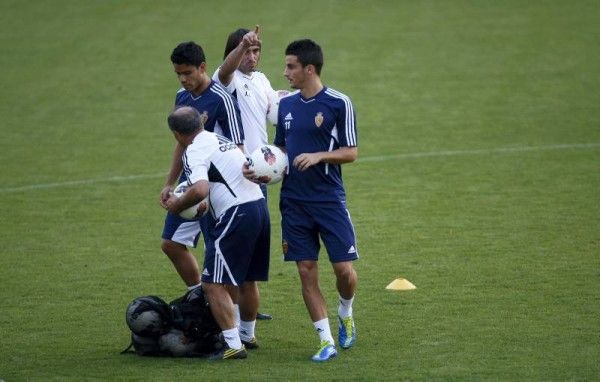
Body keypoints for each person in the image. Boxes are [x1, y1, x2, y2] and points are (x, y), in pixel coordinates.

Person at [273, 39, 359, 362]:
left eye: (291, 66)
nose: (285, 73)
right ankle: (325, 340)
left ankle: (346, 311)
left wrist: (319, 156)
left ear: (309, 69)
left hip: (328, 200)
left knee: (343, 271)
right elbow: (280, 148)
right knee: (306, 269)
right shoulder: (286, 107)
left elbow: (351, 152)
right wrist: (264, 167)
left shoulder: (338, 103)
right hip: (293, 202)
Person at [164, 106, 270, 360]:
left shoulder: (193, 150)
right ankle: (247, 334)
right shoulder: (219, 139)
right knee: (246, 279)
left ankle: (233, 345)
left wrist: (176, 205)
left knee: (212, 283)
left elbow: (199, 189)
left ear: (178, 134)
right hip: (258, 208)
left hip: (236, 215)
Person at [159, 41, 245, 292]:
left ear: (203, 67)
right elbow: (181, 143)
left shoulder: (222, 100)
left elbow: (237, 149)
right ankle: (198, 295)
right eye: (178, 74)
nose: (183, 79)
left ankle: (234, 318)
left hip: (217, 189)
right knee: (170, 243)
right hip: (190, 184)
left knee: (217, 252)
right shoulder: (182, 97)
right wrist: (169, 183)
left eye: (187, 73)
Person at [212, 25, 283, 322]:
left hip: (259, 174)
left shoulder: (261, 79)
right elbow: (226, 69)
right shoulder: (224, 79)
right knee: (230, 246)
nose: (252, 57)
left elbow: (273, 113)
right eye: (246, 51)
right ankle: (231, 311)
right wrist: (241, 46)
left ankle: (245, 308)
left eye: (256, 51)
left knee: (251, 246)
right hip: (230, 177)